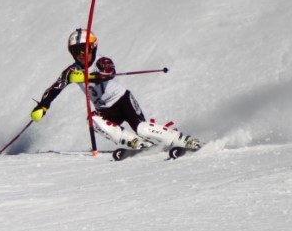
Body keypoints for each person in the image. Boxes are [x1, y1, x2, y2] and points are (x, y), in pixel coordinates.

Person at [29, 28, 201, 156]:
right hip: (105, 110)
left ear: (92, 47)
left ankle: (181, 139)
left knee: (141, 127)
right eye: (75, 51)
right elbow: (55, 88)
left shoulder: (101, 61)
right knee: (93, 119)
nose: (80, 54)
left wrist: (88, 76)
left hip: (122, 100)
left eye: (84, 49)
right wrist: (43, 106)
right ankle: (136, 143)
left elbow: (108, 72)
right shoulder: (71, 72)